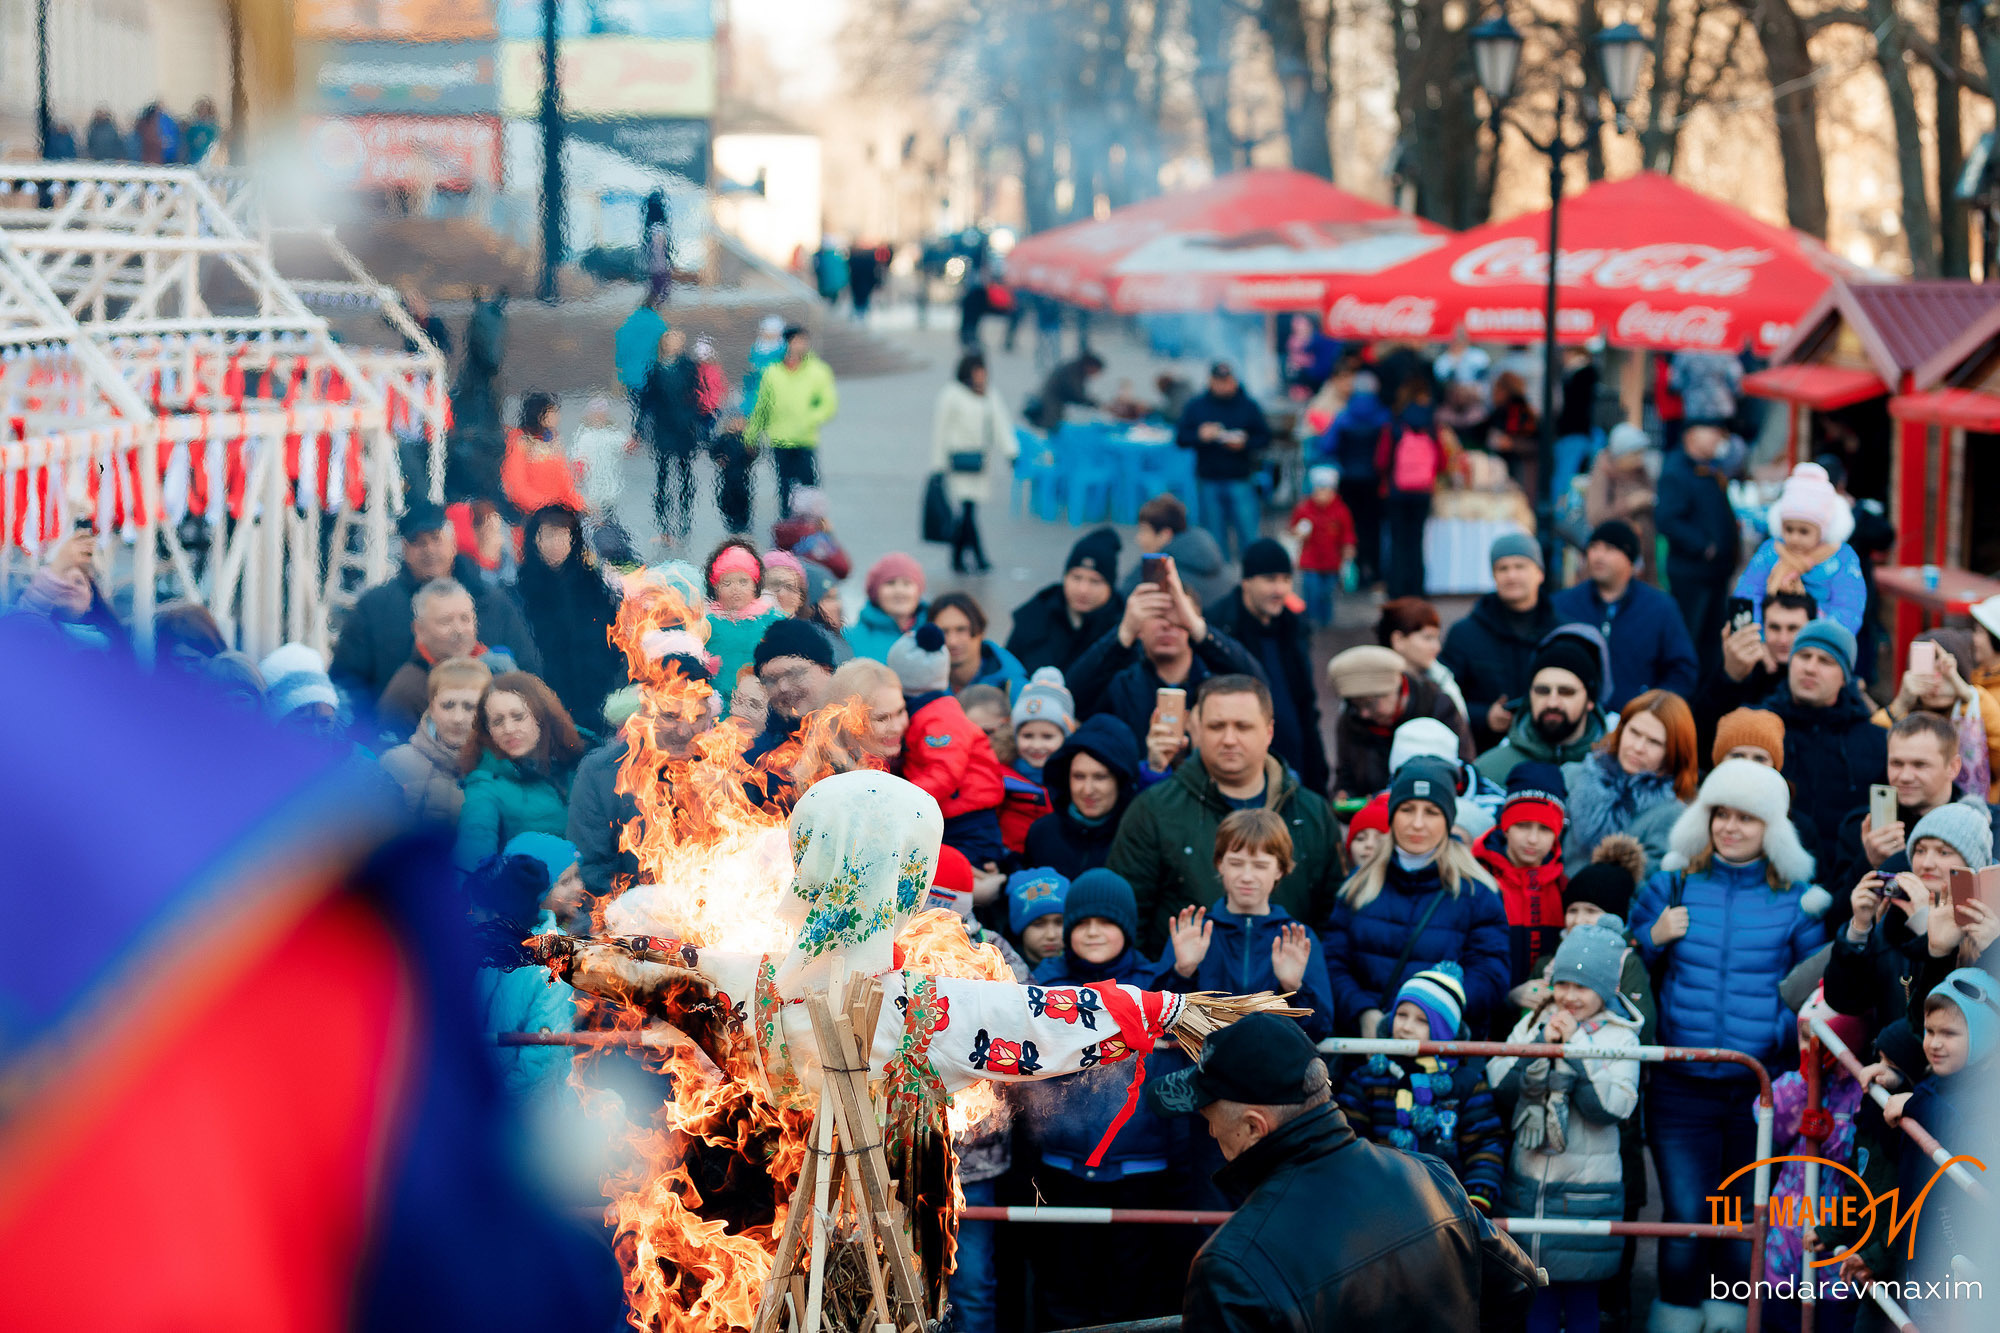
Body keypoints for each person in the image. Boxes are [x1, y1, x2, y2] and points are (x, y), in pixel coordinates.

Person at [1149, 1013, 1538, 1333]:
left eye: (1208, 1117)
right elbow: (1518, 1285)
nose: (1211, 1131)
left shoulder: (1231, 1266)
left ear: (1254, 1126)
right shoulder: (1430, 1175)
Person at [1630, 760, 1827, 1327]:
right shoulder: (1668, 883)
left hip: (1757, 1089)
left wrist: (1776, 1036)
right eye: (1722, 814)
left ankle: (1728, 1319)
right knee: (1687, 1217)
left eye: (1748, 817)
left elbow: (1818, 996)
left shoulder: (1800, 901)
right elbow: (1622, 973)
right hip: (1679, 1087)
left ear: (1773, 828)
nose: (1731, 827)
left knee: (1743, 1219)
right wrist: (1651, 937)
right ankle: (1674, 1317)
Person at [1012, 870, 1184, 1331]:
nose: (1092, 931)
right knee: (1064, 1286)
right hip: (1062, 1163)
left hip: (1140, 1165)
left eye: (1105, 922)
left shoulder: (1157, 986)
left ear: (1127, 928)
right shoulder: (1043, 986)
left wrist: (1184, 975)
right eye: (1081, 921)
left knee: (1130, 1290)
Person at [1487, 914, 1644, 1333]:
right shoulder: (1536, 1021)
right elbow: (1499, 1081)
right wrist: (1541, 1045)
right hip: (1530, 1185)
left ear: (1606, 989)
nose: (1569, 997)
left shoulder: (1621, 1038)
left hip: (1586, 1192)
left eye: (1582, 987)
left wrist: (1574, 1047)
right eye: (1563, 984)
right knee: (1535, 1295)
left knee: (1580, 1301)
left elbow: (1610, 1108)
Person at [1109, 675, 1341, 953]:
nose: (1229, 739)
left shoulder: (1313, 813)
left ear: (1268, 732)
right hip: (1184, 991)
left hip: (1289, 992)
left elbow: (1335, 925)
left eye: (1243, 726)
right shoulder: (1153, 810)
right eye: (1217, 726)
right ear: (1197, 730)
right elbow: (1125, 922)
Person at [1323, 758, 1510, 1037]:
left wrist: (1431, 1012)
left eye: (1432, 811)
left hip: (1441, 1063)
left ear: (1448, 819)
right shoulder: (1358, 886)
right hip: (1365, 1054)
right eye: (1407, 809)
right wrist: (1362, 1012)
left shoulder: (1477, 892)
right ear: (1392, 814)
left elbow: (1491, 974)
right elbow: (1333, 963)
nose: (1418, 823)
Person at [331, 502, 541, 705]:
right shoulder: (375, 608)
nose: (429, 550)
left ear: (452, 543)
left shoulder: (492, 603)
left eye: (435, 539)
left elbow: (528, 672)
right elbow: (347, 681)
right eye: (419, 543)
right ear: (404, 549)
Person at [1337, 962, 1506, 1211]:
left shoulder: (1466, 1084)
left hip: (1448, 1209)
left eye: (1421, 1021)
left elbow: (1485, 1144)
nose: (1405, 1026)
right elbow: (1350, 1138)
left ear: (1443, 1030)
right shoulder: (1369, 1077)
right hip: (1379, 1205)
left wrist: (1476, 1201)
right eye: (1401, 1015)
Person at [1824, 801, 1998, 1036]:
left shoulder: (1988, 927)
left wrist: (1924, 927)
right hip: (1888, 1064)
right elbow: (1844, 1001)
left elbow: (1953, 1025)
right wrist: (1859, 927)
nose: (1926, 863)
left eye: (1944, 852)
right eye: (1920, 850)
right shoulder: (1892, 917)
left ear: (1970, 867)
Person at [1163, 810, 1337, 1039]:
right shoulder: (1194, 933)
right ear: (1219, 864)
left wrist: (1293, 987)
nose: (1247, 876)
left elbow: (1319, 1030)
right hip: (1203, 1069)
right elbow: (1160, 1025)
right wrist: (1182, 973)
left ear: (1280, 869)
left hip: (1272, 1070)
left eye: (1260, 865)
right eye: (1236, 863)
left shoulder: (1297, 939)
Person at [1063, 558, 1261, 751]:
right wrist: (1123, 634)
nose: (1167, 624)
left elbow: (1258, 684)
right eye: (1157, 614)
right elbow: (1072, 698)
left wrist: (1198, 629)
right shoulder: (1121, 682)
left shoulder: (1216, 678)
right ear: (1139, 626)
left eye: (1177, 614)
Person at [567, 653, 721, 899]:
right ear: (645, 714)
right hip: (630, 919)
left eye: (695, 718)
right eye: (670, 716)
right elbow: (592, 871)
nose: (683, 731)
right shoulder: (601, 773)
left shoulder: (725, 769)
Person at [1760, 618, 1889, 873]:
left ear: (1845, 677)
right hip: (1770, 879)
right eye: (1803, 656)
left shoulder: (1877, 742)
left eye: (1825, 661)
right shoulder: (1760, 728)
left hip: (1847, 885)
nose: (1810, 668)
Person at [1205, 539, 1330, 795]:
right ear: (1247, 581)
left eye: (1286, 579)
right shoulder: (1219, 628)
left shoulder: (1293, 627)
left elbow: (1306, 706)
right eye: (1270, 579)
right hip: (1242, 774)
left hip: (1295, 770)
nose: (1280, 589)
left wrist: (1318, 777)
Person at [1832, 711, 1997, 902]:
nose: (1905, 776)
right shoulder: (1863, 827)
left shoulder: (1991, 825)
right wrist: (1868, 863)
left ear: (1953, 767)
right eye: (1896, 763)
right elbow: (1834, 919)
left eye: (1920, 765)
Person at [889, 625, 1009, 865]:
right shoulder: (926, 712)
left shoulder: (939, 717)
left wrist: (901, 799)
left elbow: (944, 771)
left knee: (959, 882)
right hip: (954, 816)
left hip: (970, 823)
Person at [1550, 519, 1698, 712]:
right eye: (1594, 547)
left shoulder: (1660, 608)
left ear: (1630, 558)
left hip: (1637, 724)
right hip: (1575, 720)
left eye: (1610, 548)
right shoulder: (1563, 604)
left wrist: (1651, 709)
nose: (1598, 556)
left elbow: (1682, 671)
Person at [455, 673, 589, 874]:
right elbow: (473, 860)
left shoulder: (582, 760)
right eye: (497, 721)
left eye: (518, 717)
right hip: (539, 897)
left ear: (542, 717)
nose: (508, 729)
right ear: (487, 730)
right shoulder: (484, 785)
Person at [1440, 532, 1558, 753]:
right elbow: (1442, 697)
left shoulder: (1562, 631)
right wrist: (1484, 716)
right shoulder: (1465, 634)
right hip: (1484, 751)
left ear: (1540, 573)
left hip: (1552, 750)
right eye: (1502, 568)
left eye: (1520, 566)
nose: (1511, 575)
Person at [1560, 689, 1698, 877]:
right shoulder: (1572, 776)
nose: (1638, 747)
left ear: (1673, 752)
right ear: (1621, 728)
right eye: (1634, 732)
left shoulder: (1671, 814)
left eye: (1654, 742)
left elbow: (1647, 887)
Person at [515, 507, 623, 733]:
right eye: (549, 535)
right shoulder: (520, 589)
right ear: (535, 540)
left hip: (596, 696)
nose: (557, 544)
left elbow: (612, 640)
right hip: (543, 697)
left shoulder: (593, 586)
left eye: (565, 535)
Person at [1731, 462, 1867, 637]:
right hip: (1769, 646)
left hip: (1816, 649)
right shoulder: (1772, 551)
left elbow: (1849, 608)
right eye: (1789, 529)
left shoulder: (1840, 558)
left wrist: (1820, 644)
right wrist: (1756, 641)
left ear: (1822, 531)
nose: (1794, 538)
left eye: (1804, 531)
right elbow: (1746, 594)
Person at [1327, 645, 1472, 801]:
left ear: (1396, 688)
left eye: (1370, 704)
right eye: (1356, 705)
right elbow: (1345, 776)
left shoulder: (1438, 706)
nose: (1364, 713)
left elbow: (1463, 771)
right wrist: (1344, 797)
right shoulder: (1351, 718)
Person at [1471, 764, 1571, 991]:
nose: (1533, 839)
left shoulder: (1563, 887)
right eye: (1523, 826)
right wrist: (1507, 998)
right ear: (1505, 826)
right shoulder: (1477, 878)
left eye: (1545, 829)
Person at [372, 579, 511, 739]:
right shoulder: (406, 692)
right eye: (446, 621)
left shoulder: (499, 672)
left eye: (465, 619)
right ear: (419, 630)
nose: (458, 630)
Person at [1656, 423, 1742, 682]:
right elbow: (1668, 520)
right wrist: (1704, 547)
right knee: (1689, 641)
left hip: (1715, 574)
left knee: (1711, 644)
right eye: (1711, 431)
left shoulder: (1710, 470)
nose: (1718, 437)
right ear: (1691, 435)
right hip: (1692, 575)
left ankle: (1705, 696)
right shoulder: (1677, 472)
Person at [1474, 626, 1613, 785]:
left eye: (1566, 692)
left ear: (1590, 701)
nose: (1552, 702)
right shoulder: (1488, 772)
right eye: (1542, 691)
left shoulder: (1612, 772)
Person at [1869, 628, 1995, 802]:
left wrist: (1968, 696)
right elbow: (1869, 748)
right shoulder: (1903, 714)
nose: (1936, 681)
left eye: (1944, 672)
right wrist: (1900, 703)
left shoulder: (1975, 709)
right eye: (1926, 671)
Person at [1175, 361, 1272, 561]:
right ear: (1210, 381)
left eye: (1227, 381)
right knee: (1213, 536)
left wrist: (1245, 443)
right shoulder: (1197, 406)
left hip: (1240, 478)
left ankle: (1254, 570)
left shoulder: (1248, 405)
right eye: (1219, 381)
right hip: (1209, 478)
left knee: (1249, 532)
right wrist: (1200, 436)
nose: (1223, 385)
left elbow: (1264, 438)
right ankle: (1219, 578)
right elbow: (1181, 438)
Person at [1024, 714, 1141, 879]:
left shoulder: (1138, 839)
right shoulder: (1041, 834)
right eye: (1078, 776)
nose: (1087, 790)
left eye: (1100, 777)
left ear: (1120, 781)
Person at [932, 352, 1016, 574]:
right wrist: (938, 465)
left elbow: (1001, 424)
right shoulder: (951, 394)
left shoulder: (989, 394)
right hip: (957, 462)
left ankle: (959, 558)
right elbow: (940, 430)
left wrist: (1011, 452)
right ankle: (977, 557)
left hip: (980, 463)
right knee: (967, 511)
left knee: (968, 511)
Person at [381, 656, 493, 822]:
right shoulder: (395, 764)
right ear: (432, 708)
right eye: (448, 705)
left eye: (470, 707)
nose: (458, 718)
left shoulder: (502, 771)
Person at [1700, 589, 1816, 743]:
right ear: (1763, 627)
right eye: (1775, 627)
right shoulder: (1746, 666)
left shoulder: (1821, 672)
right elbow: (1704, 734)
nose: (1783, 639)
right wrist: (1730, 677)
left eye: (1793, 628)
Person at [745, 326, 839, 516]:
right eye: (794, 341)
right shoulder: (772, 372)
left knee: (809, 484)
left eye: (802, 341)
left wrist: (809, 418)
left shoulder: (818, 371)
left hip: (805, 438)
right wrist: (751, 435)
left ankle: (811, 528)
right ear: (786, 344)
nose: (798, 346)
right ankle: (787, 527)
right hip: (780, 437)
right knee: (785, 485)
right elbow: (762, 406)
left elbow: (828, 404)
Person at [1006, 528, 1124, 675]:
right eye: (1076, 577)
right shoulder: (1036, 615)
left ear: (1110, 586)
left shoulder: (1123, 627)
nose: (1083, 589)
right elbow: (1005, 667)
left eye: (1095, 581)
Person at [1324, 370, 1391, 586]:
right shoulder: (1384, 416)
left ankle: (1354, 574)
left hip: (1349, 480)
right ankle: (1376, 572)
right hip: (1374, 481)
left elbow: (1327, 445)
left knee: (1350, 528)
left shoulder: (1344, 416)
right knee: (1373, 528)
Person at [1379, 392, 1447, 598]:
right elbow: (1442, 462)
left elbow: (1381, 461)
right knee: (1416, 541)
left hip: (1397, 493)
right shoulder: (1432, 429)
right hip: (1422, 493)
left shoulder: (1394, 427)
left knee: (1398, 541)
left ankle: (1396, 589)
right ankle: (1417, 588)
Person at [701, 541, 783, 709]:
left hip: (761, 701)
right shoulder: (708, 622)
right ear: (715, 587)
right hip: (719, 702)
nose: (735, 589)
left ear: (755, 585)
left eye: (743, 581)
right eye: (726, 583)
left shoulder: (770, 619)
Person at [639, 328, 704, 543]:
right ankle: (663, 519)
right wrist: (639, 428)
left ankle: (685, 516)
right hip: (663, 427)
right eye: (670, 341)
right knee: (663, 474)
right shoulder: (655, 369)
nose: (674, 345)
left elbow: (697, 395)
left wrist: (697, 422)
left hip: (684, 428)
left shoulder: (689, 367)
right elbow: (647, 400)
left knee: (685, 473)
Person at [1118, 494, 1233, 607]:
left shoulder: (1155, 571)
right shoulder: (1209, 552)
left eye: (1144, 531)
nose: (1138, 539)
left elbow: (1121, 598)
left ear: (1165, 535)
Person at [1377, 597, 1469, 724]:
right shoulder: (1370, 685)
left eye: (1436, 638)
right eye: (1427, 638)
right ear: (1398, 640)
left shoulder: (1442, 681)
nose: (1437, 647)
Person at [1584, 422, 1658, 580]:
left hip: (1643, 557)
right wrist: (1630, 504)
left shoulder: (1641, 472)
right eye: (1635, 454)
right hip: (1615, 559)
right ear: (1621, 454)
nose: (1640, 459)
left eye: (1641, 453)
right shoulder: (1604, 474)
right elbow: (1596, 516)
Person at [1288, 464, 1355, 629]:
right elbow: (1293, 529)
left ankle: (1326, 622)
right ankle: (1310, 622)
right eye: (1319, 490)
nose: (1322, 495)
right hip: (1310, 562)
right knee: (1311, 592)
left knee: (1327, 594)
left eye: (1327, 490)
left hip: (1331, 562)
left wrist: (1348, 548)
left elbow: (1347, 534)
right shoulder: (1304, 509)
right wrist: (1298, 533)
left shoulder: (1341, 511)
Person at [501, 393, 587, 518]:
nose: (557, 416)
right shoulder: (519, 443)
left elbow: (565, 486)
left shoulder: (554, 443)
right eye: (552, 412)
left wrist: (580, 505)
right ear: (539, 415)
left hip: (557, 514)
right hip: (530, 516)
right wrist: (547, 506)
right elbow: (516, 487)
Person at [927, 593, 1026, 699]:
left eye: (961, 629)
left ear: (981, 631)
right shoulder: (920, 687)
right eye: (943, 632)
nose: (952, 641)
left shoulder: (1012, 687)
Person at [849, 553, 927, 663]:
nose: (899, 590)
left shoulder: (938, 632)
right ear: (875, 593)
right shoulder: (849, 638)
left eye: (907, 583)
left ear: (919, 591)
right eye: (890, 583)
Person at [613, 297, 667, 420]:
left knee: (637, 409)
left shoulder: (628, 324)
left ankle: (639, 432)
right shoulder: (658, 323)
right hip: (651, 374)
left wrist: (620, 374)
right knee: (652, 408)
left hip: (631, 376)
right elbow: (665, 347)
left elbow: (620, 352)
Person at [1025, 351, 1104, 434]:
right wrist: (1095, 404)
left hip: (1054, 400)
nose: (1095, 375)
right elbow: (1076, 393)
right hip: (1051, 401)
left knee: (1055, 426)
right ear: (1090, 366)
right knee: (1050, 427)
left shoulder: (1076, 369)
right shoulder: (1074, 371)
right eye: (1096, 371)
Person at [1006, 868, 1070, 969]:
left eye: (1059, 922)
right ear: (1021, 929)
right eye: (1038, 924)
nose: (1051, 935)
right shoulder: (1002, 974)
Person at [1669, 350, 1742, 433]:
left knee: (1696, 442)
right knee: (1720, 443)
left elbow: (1676, 384)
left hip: (1694, 408)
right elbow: (1736, 382)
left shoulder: (1685, 353)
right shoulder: (1726, 353)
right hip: (1721, 409)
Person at [642, 190, 673, 303]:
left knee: (657, 292)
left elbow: (650, 251)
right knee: (660, 293)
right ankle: (649, 311)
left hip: (654, 266)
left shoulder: (650, 229)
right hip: (660, 266)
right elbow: (662, 250)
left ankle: (649, 311)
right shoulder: (658, 229)